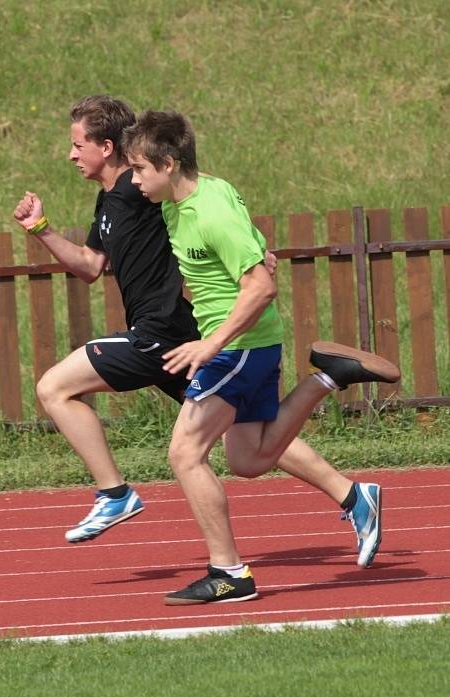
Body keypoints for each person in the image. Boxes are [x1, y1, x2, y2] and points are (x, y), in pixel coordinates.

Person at [122, 110, 401, 605]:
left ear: (167, 164)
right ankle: (329, 380)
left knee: (185, 454)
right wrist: (257, 254)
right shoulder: (195, 193)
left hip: (234, 345)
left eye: (140, 169)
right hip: (252, 344)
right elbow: (253, 252)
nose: (135, 179)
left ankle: (228, 572)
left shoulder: (208, 211)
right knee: (249, 459)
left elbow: (261, 287)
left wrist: (210, 344)